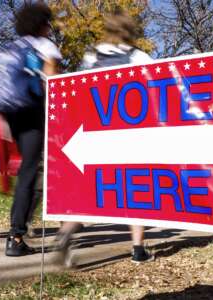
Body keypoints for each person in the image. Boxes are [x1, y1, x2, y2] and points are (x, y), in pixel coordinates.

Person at [55, 9, 154, 264]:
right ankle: (137, 249)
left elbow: (78, 88)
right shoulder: (138, 56)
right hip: (128, 132)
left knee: (89, 186)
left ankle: (66, 231)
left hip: (95, 132)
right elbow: (155, 90)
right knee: (135, 186)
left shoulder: (92, 55)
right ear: (130, 31)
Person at [0, 3, 61, 256]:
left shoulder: (11, 48)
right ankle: (17, 235)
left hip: (9, 113)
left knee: (28, 172)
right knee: (32, 171)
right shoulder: (45, 46)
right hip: (32, 113)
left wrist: (3, 120)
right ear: (43, 24)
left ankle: (21, 227)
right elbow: (53, 83)